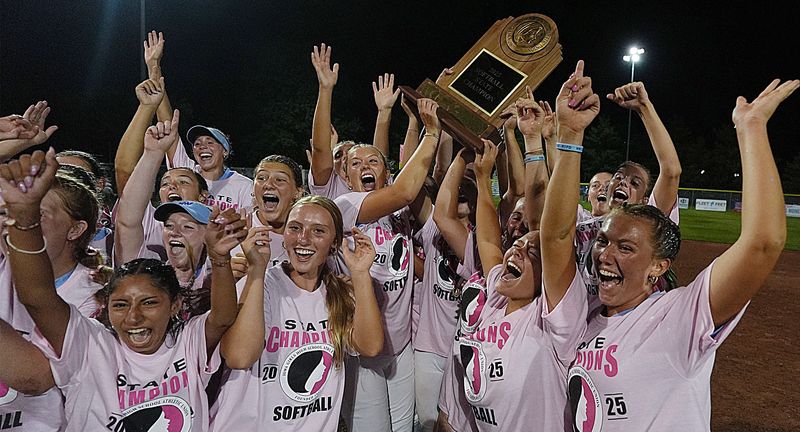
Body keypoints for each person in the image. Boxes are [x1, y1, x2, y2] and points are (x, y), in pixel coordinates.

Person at [557, 79, 797, 429]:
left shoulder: (676, 319)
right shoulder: (586, 315)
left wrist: (752, 128)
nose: (605, 255)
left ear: (659, 266)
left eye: (625, 247)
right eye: (604, 241)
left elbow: (762, 242)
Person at [0, 147, 246, 431]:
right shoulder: (90, 344)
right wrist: (24, 218)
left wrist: (219, 258)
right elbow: (38, 296)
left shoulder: (187, 343)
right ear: (106, 304)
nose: (133, 317)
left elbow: (223, 316)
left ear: (175, 305)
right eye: (120, 305)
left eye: (149, 303)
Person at [436, 60, 600, 432]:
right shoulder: (494, 296)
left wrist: (569, 137)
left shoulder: (556, 319)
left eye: (532, 253)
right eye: (520, 245)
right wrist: (482, 180)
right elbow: (491, 241)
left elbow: (556, 235)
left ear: (551, 277)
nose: (517, 250)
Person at [211, 195, 384, 430]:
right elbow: (239, 357)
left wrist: (361, 274)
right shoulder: (261, 284)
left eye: (318, 231)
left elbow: (371, 346)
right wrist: (256, 271)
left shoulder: (340, 293)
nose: (303, 239)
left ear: (334, 243)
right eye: (295, 228)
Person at [334, 97, 443, 432]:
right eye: (355, 163)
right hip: (361, 349)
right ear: (345, 175)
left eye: (374, 162)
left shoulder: (399, 214)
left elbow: (410, 185)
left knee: (402, 427)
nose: (365, 167)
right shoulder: (345, 206)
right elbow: (404, 191)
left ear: (386, 171)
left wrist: (415, 122)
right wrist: (431, 134)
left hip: (401, 346)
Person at [0, 159, 105, 431]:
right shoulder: (4, 264)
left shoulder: (94, 295)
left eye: (36, 213)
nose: (18, 222)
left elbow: (36, 378)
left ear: (75, 229)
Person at [576, 81, 682, 301]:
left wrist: (644, 108)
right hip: (585, 324)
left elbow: (671, 171)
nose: (623, 183)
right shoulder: (585, 226)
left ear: (644, 200)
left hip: (629, 322)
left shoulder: (648, 223)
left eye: (634, 183)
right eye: (619, 177)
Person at [143, 30, 252, 212]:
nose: (202, 147)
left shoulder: (244, 186)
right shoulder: (185, 171)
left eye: (210, 142)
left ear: (225, 151)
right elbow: (169, 124)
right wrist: (154, 65)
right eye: (197, 144)